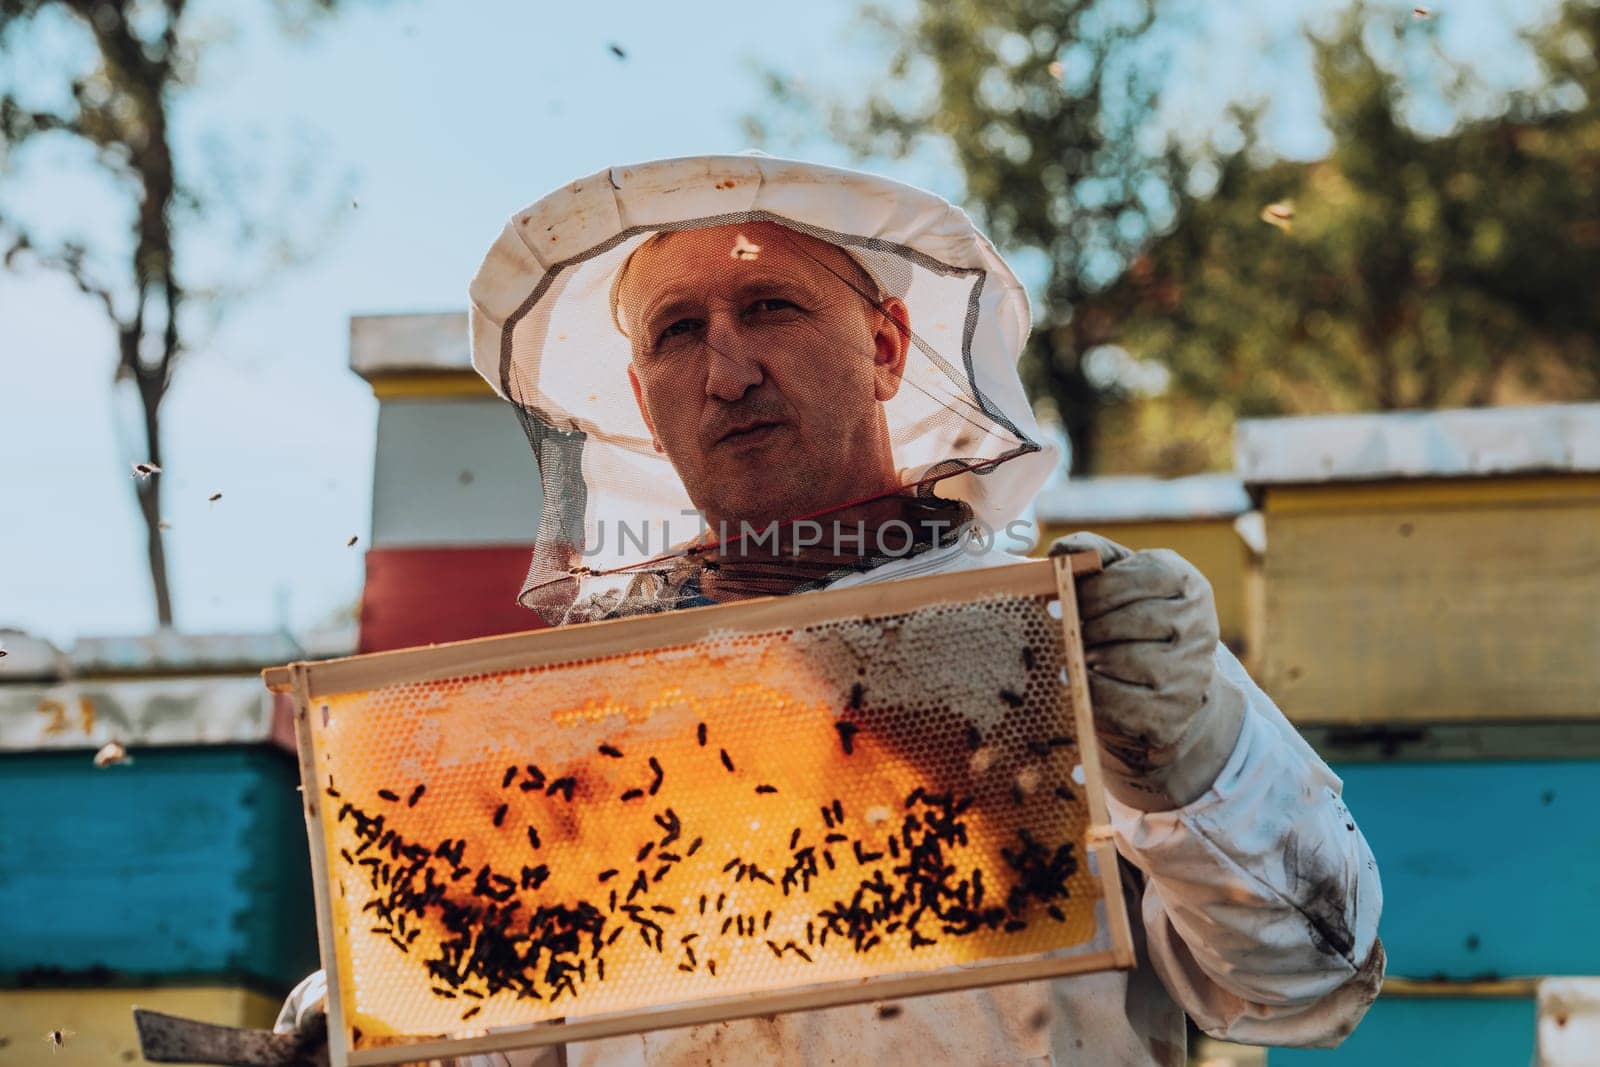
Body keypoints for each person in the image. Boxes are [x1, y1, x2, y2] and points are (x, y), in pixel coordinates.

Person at [278, 154, 1383, 1065]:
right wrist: (386, 1014)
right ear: (642, 405)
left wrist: (1195, 761)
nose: (726, 370)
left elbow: (1306, 979)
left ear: (887, 347)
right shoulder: (585, 721)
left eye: (769, 306)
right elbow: (514, 1038)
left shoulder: (1070, 639)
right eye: (677, 332)